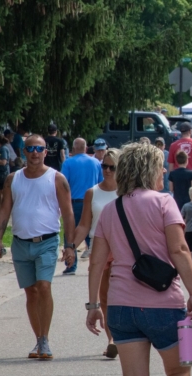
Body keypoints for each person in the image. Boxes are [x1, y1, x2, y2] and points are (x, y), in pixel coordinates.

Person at [84, 141, 192, 376]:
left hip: (120, 306)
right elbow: (179, 250)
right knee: (182, 367)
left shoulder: (110, 210)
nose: (164, 171)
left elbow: (96, 263)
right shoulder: (165, 202)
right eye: (160, 166)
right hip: (169, 304)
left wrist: (94, 305)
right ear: (149, 170)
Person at [0, 133, 77, 360]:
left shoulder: (57, 178)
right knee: (31, 292)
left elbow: (69, 215)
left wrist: (70, 246)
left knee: (44, 287)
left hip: (47, 242)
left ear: (45, 152)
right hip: (21, 243)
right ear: (23, 152)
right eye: (30, 149)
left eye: (39, 149)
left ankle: (45, 340)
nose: (34, 153)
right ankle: (38, 338)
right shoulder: (13, 179)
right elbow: (4, 210)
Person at [68, 148, 121, 357]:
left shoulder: (128, 191)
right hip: (100, 249)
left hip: (123, 249)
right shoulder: (92, 192)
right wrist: (71, 246)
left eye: (112, 167)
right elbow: (83, 225)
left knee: (123, 297)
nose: (107, 170)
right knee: (105, 297)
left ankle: (125, 336)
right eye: (104, 166)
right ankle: (112, 339)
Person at [60, 138, 104, 274]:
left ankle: (70, 265)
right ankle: (97, 264)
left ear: (73, 149)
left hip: (75, 202)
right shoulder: (96, 162)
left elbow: (63, 184)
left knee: (70, 234)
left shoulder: (68, 163)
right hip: (92, 202)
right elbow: (101, 182)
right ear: (86, 148)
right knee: (91, 235)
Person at [0, 134, 14, 206]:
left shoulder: (3, 149)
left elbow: (3, 162)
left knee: (1, 191)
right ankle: (0, 205)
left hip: (3, 173)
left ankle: (0, 206)